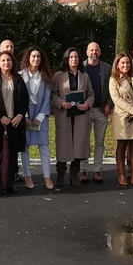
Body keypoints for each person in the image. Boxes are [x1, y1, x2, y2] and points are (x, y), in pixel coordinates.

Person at [0, 50, 29, 195]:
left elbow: (25, 100)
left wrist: (20, 115)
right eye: (3, 61)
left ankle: (10, 183)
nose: (6, 63)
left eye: (8, 60)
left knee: (12, 154)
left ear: (12, 62)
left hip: (14, 122)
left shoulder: (18, 79)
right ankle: (1, 183)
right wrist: (0, 117)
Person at [51, 47, 95, 188]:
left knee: (79, 146)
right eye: (71, 57)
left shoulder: (85, 76)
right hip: (64, 115)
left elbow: (91, 95)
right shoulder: (58, 75)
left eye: (76, 57)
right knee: (64, 146)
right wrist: (61, 103)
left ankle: (74, 174)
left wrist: (87, 104)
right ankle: (61, 174)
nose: (74, 59)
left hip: (80, 116)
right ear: (66, 59)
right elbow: (53, 94)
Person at [19, 46, 54, 190]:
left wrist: (40, 116)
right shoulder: (20, 76)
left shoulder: (46, 77)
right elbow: (19, 97)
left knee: (44, 146)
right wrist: (25, 116)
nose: (36, 59)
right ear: (28, 58)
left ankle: (47, 176)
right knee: (25, 147)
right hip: (25, 114)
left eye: (38, 57)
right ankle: (27, 176)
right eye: (33, 56)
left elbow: (47, 98)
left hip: (41, 114)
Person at [109, 52, 133, 187]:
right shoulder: (114, 79)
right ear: (117, 65)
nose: (125, 65)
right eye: (122, 63)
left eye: (127, 63)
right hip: (122, 116)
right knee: (122, 145)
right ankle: (121, 174)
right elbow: (116, 99)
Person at [82, 42, 112, 184]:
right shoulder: (81, 67)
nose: (94, 52)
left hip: (101, 110)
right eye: (91, 50)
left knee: (99, 142)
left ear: (100, 52)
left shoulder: (107, 68)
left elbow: (113, 87)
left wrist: (109, 105)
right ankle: (83, 170)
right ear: (87, 52)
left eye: (96, 50)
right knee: (84, 141)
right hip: (85, 111)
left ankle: (97, 170)